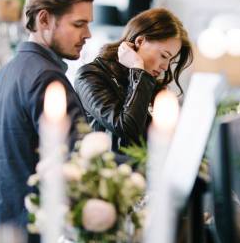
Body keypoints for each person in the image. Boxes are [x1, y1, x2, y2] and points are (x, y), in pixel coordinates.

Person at [0, 0, 93, 243]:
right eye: (79, 24)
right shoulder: (47, 79)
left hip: (9, 230)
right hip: (43, 235)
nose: (87, 34)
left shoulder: (5, 75)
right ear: (44, 19)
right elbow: (82, 160)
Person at [74, 8, 193, 151]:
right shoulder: (90, 76)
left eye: (171, 60)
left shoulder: (148, 82)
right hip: (112, 170)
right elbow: (127, 128)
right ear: (140, 41)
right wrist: (138, 68)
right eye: (163, 56)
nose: (166, 67)